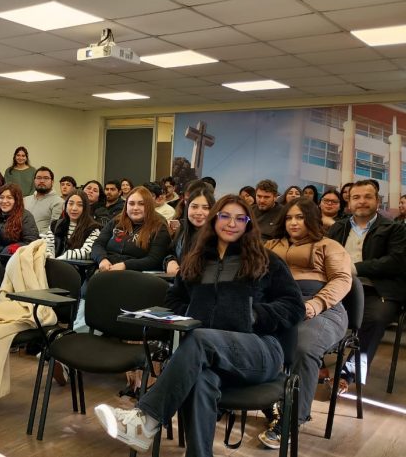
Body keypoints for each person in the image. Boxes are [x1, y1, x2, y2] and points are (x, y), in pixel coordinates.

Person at [94, 194, 305, 455]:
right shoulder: (196, 261)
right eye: (225, 216)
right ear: (214, 219)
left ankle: (145, 420)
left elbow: (295, 306)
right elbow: (174, 300)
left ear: (249, 224)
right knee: (201, 379)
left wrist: (254, 314)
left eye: (240, 219)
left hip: (259, 351)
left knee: (200, 339)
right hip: (208, 356)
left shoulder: (266, 260)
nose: (232, 223)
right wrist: (193, 313)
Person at [261, 198, 351, 448]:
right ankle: (264, 401)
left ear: (311, 219)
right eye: (289, 217)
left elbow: (342, 280)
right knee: (246, 335)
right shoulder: (270, 245)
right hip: (278, 305)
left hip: (323, 308)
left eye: (300, 217)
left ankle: (292, 419)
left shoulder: (329, 246)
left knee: (303, 347)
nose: (293, 222)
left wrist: (316, 304)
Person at [327, 180, 406, 392]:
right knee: (308, 307)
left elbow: (396, 262)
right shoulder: (338, 227)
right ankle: (317, 368)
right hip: (339, 285)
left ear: (377, 201)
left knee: (375, 318)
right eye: (356, 197)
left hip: (379, 290)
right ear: (349, 202)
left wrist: (356, 268)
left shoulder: (394, 228)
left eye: (367, 197)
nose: (362, 201)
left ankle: (348, 374)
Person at [91, 186, 171, 272]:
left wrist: (125, 265)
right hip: (106, 269)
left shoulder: (159, 226)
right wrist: (102, 259)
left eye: (141, 204)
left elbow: (155, 259)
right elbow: (98, 244)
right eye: (131, 204)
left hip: (136, 273)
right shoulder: (116, 221)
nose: (135, 208)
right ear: (126, 206)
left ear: (149, 206)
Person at [164, 188, 216, 276]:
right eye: (194, 207)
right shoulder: (182, 229)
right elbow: (171, 252)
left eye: (206, 208)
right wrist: (170, 262)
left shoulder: (217, 237)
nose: (199, 212)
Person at [0, 183, 39, 254]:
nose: (4, 201)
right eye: (1, 197)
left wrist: (8, 250)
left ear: (17, 200)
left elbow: (30, 241)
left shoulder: (26, 216)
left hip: (11, 257)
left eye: (9, 198)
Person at [44, 190, 101, 260]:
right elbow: (48, 247)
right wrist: (50, 258)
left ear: (85, 208)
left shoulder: (93, 228)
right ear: (66, 206)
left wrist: (62, 258)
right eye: (71, 204)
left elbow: (87, 252)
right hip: (53, 263)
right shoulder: (55, 225)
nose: (74, 208)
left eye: (79, 205)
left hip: (76, 265)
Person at [23, 166, 63, 235]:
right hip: (21, 238)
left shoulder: (58, 202)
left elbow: (54, 229)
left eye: (46, 178)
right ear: (34, 180)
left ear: (52, 182)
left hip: (42, 239)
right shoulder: (25, 200)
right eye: (38, 178)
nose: (42, 181)